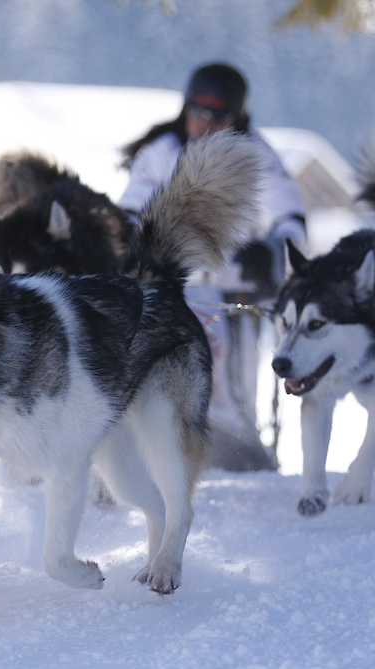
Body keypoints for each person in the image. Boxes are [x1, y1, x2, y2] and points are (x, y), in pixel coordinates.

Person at [118, 62, 307, 471]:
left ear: (236, 118)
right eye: (196, 112)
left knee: (229, 396)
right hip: (168, 297)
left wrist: (273, 252)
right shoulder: (160, 154)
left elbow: (290, 218)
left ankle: (238, 464)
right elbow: (128, 218)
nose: (203, 124)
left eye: (216, 116)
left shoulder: (257, 156)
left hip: (231, 299)